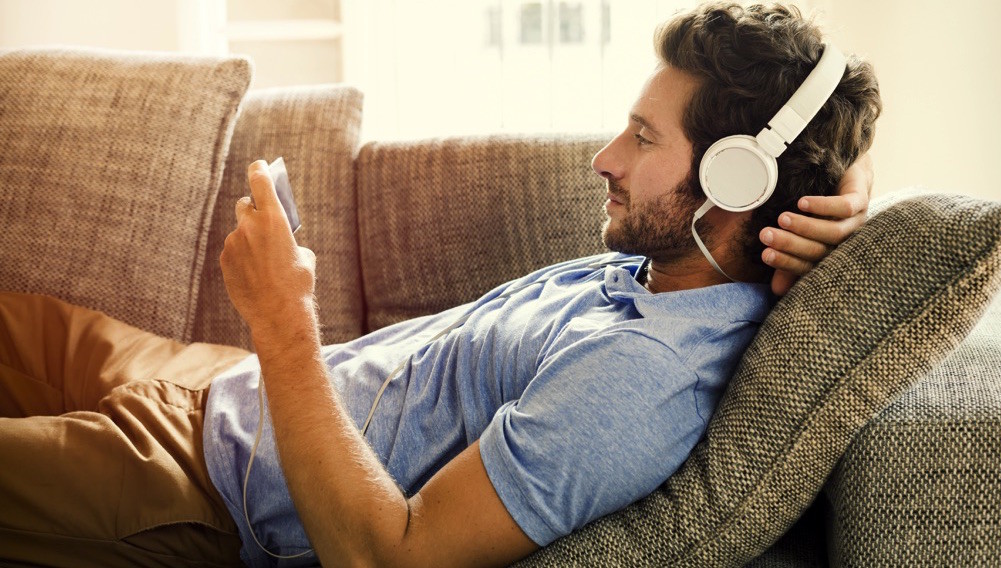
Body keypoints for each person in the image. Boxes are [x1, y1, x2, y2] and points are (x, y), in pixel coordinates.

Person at [0, 2, 881, 567]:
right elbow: (831, 120)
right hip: (216, 381)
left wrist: (281, 318)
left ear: (734, 183)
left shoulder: (640, 378)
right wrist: (853, 181)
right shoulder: (675, 262)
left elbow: (387, 558)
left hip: (203, 484)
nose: (604, 159)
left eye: (644, 141)